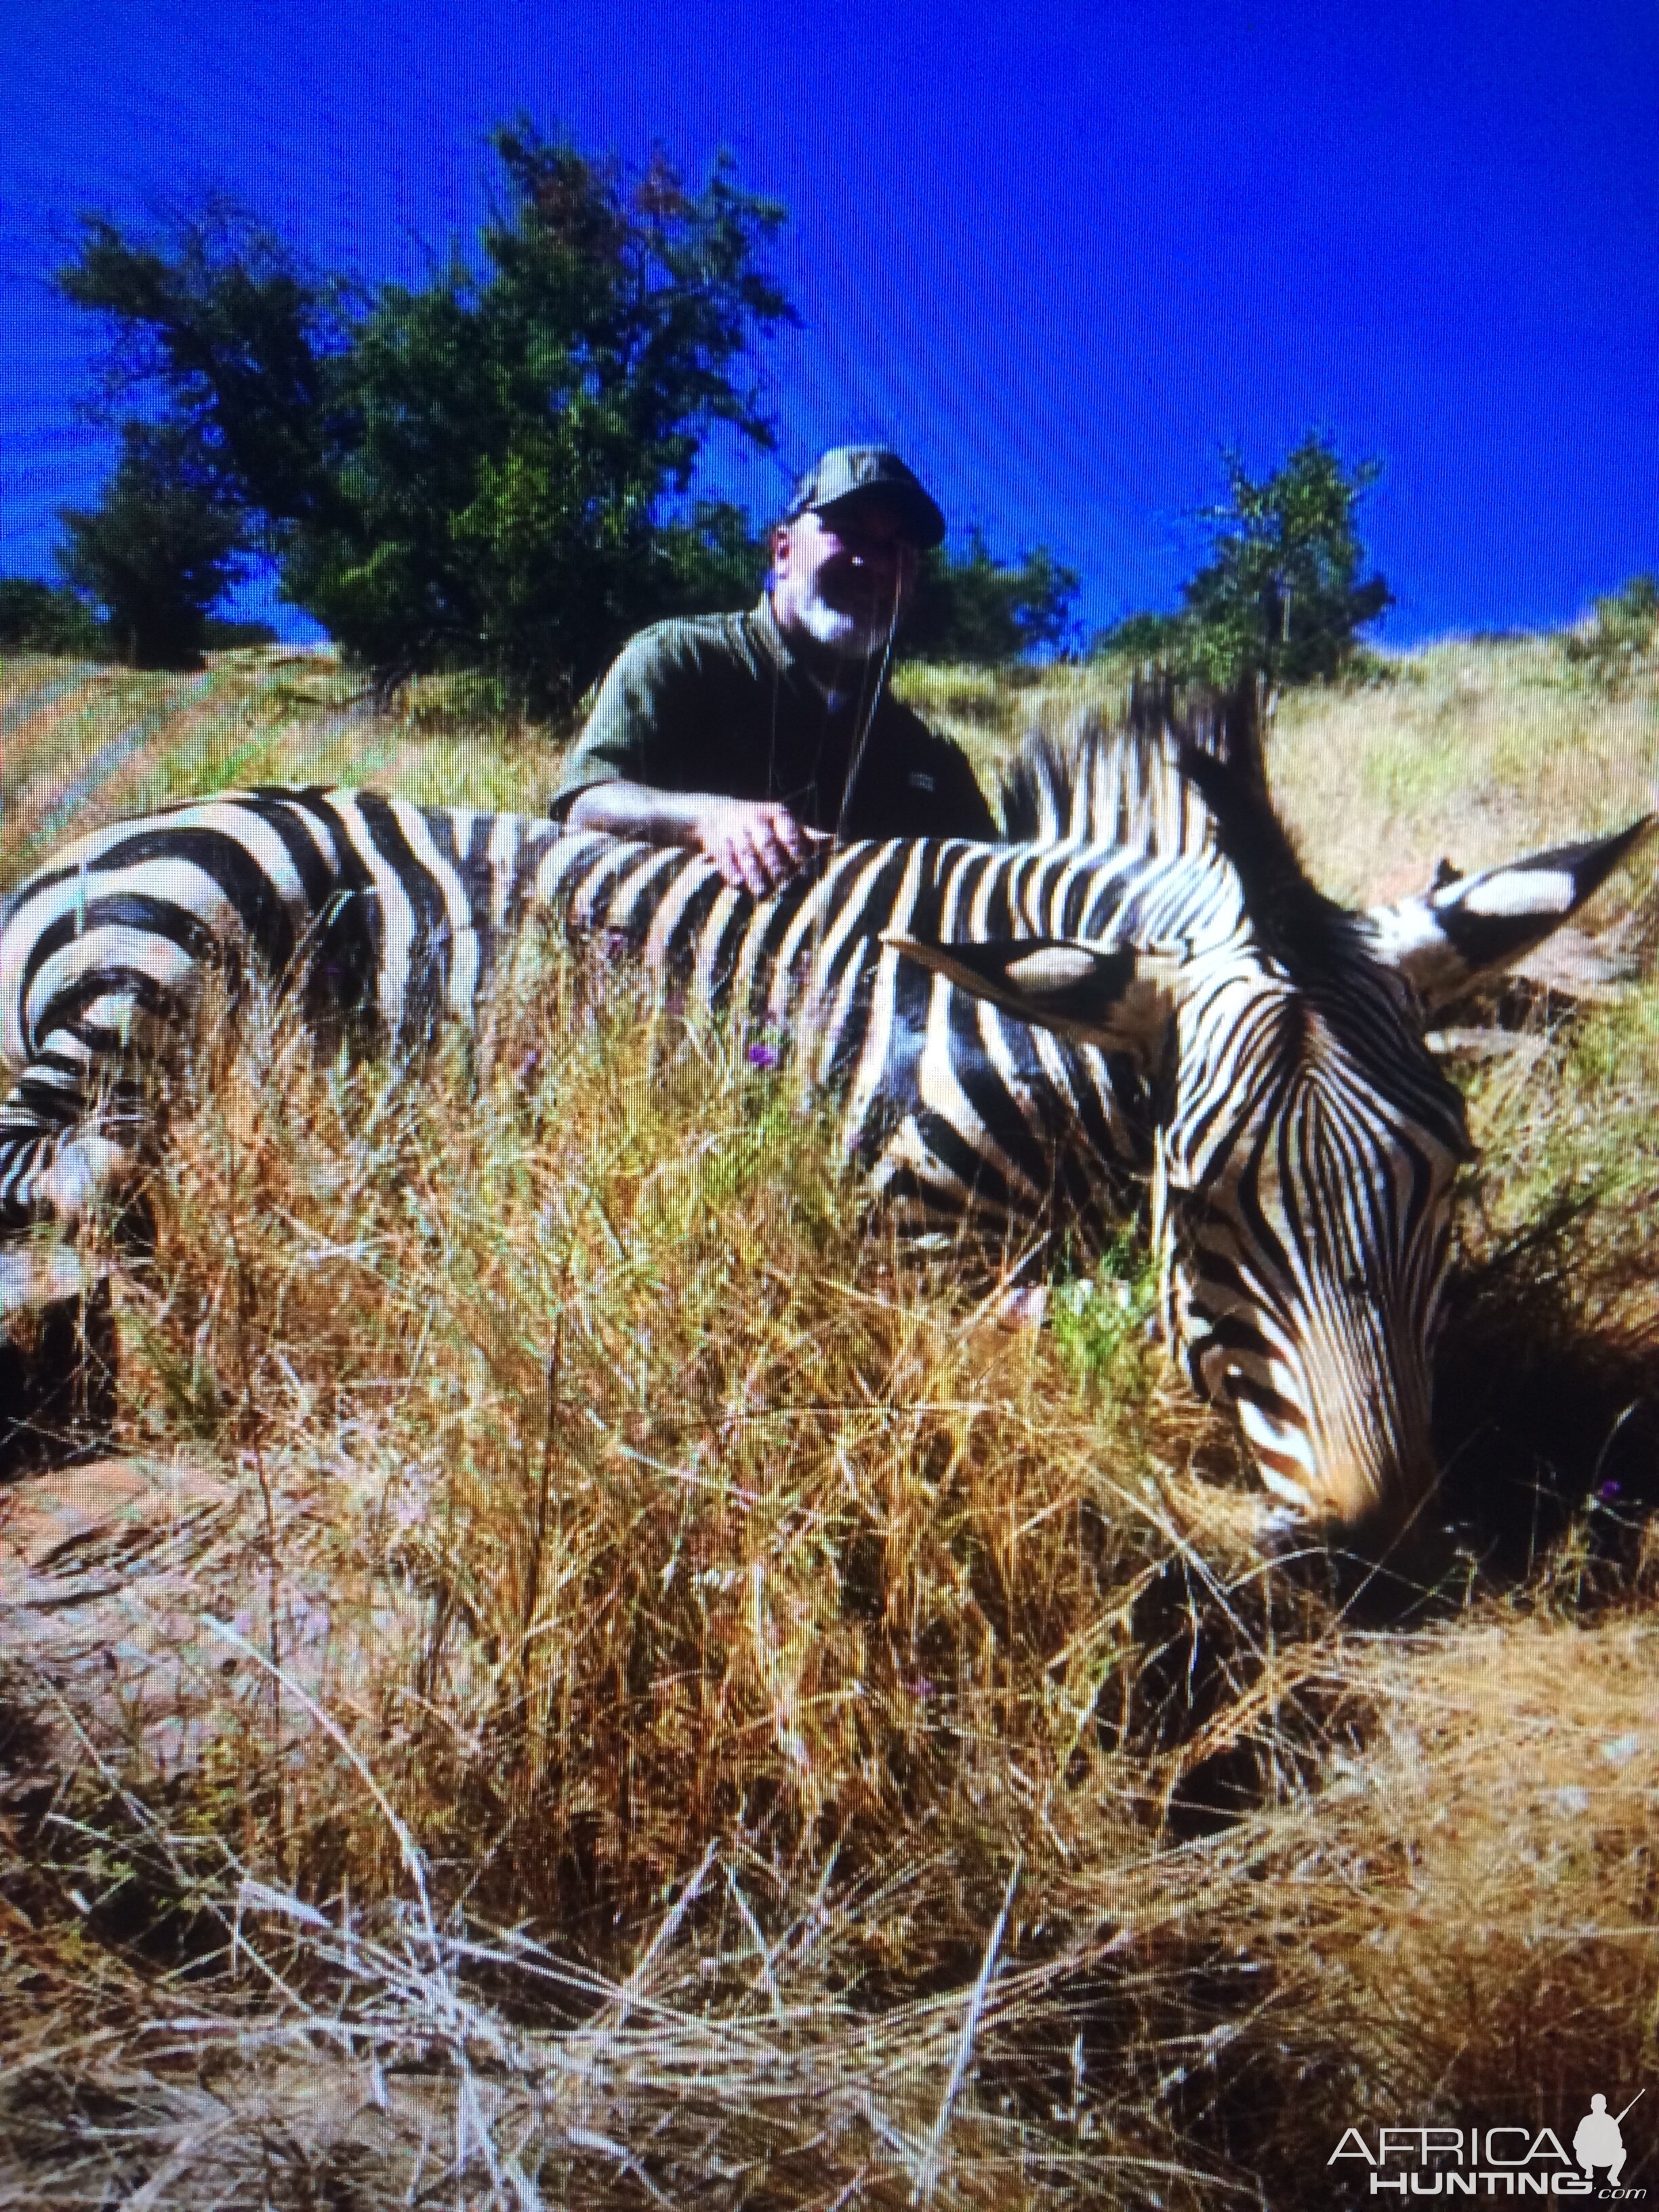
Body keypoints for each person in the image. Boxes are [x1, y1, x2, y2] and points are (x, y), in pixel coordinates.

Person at [553, 446, 999, 895]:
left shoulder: (927, 759)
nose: (876, 565)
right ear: (782, 551)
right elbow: (587, 804)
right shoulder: (681, 659)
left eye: (898, 549)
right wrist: (708, 819)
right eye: (850, 533)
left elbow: (1002, 889)